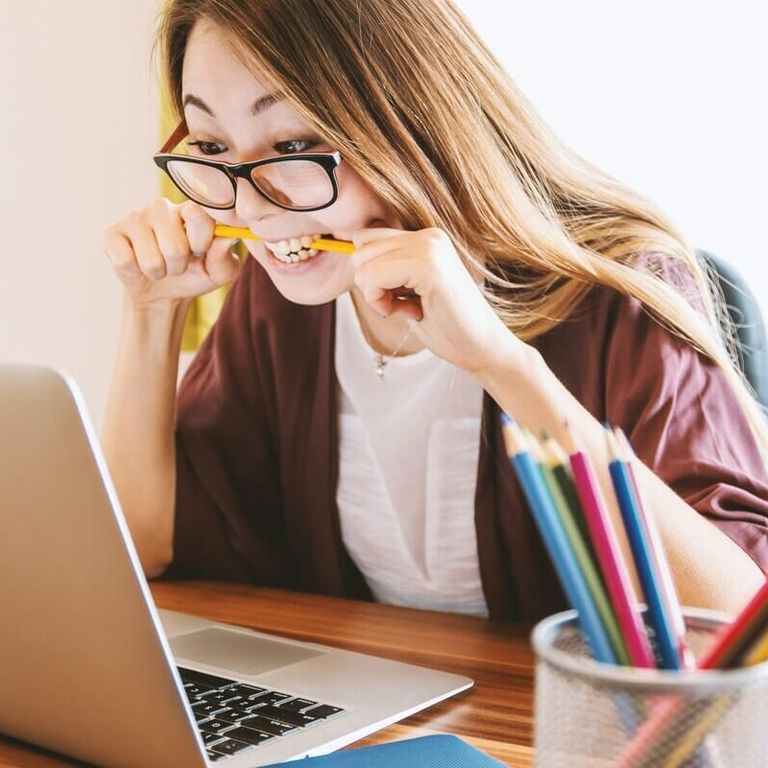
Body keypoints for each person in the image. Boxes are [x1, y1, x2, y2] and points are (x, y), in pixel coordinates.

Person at [102, 0, 768, 622]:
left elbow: (740, 624)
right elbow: (145, 542)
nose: (250, 209)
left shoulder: (619, 295)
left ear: (409, 120)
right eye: (214, 149)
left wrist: (500, 363)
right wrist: (150, 312)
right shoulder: (285, 302)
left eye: (294, 145)